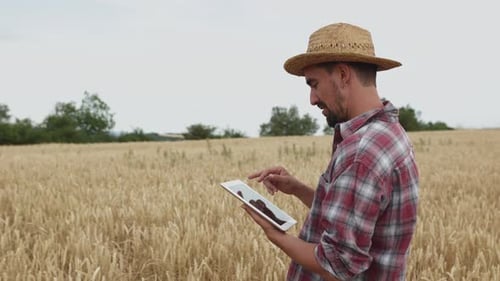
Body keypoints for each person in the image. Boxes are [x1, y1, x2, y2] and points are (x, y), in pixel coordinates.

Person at [243, 22, 419, 280]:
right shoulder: (388, 132)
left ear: (343, 75)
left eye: (313, 84)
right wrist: (298, 189)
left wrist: (275, 234)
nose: (312, 99)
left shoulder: (362, 151)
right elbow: (357, 219)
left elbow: (337, 266)